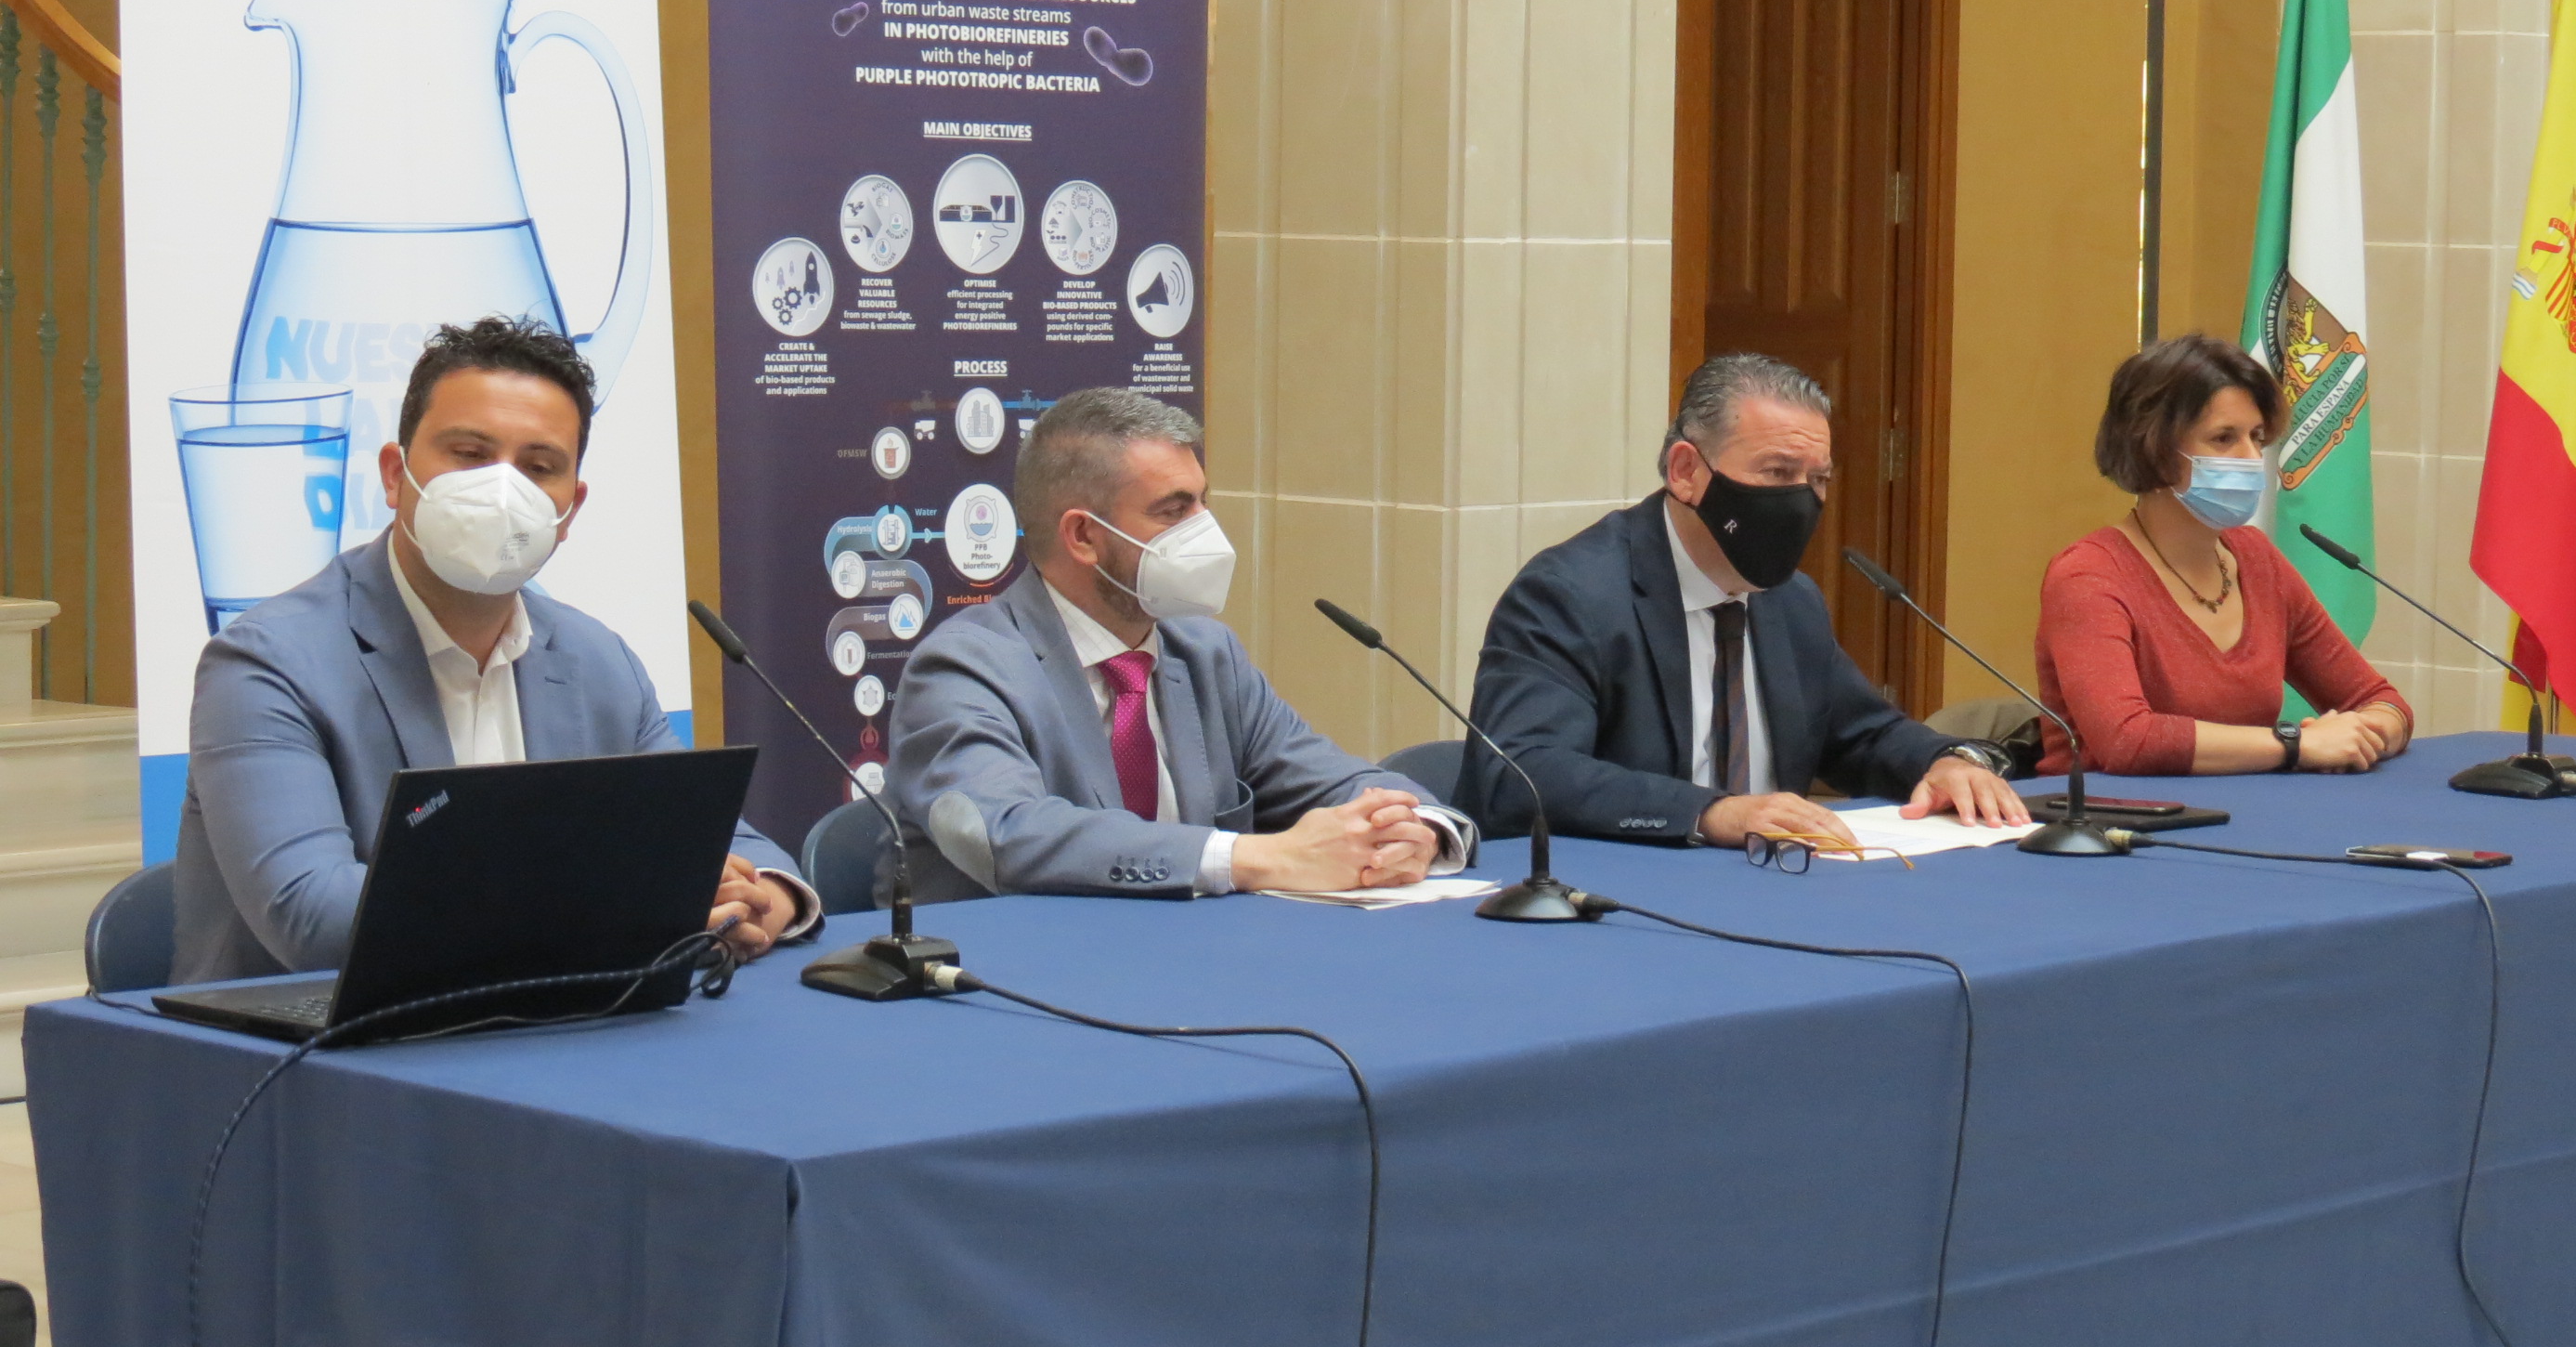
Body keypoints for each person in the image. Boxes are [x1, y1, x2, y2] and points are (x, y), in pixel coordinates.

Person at [174, 317, 818, 987]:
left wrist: (768, 896)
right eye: (469, 454)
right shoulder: (266, 665)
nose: (502, 490)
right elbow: (314, 919)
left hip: (549, 1022)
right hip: (307, 1039)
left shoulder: (599, 662)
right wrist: (625, 899)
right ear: (395, 475)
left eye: (539, 468)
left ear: (569, 511)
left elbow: (730, 848)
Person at [889, 388, 1477, 898]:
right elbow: (1006, 832)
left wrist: (1415, 829)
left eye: (1202, 502)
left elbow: (1330, 778)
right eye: (1174, 511)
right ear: (1084, 535)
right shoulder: (964, 667)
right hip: (1016, 972)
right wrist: (1253, 858)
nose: (1205, 531)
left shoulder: (1205, 652)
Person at [1459, 353, 2028, 850]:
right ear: (1686, 472)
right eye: (1777, 472)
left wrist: (1943, 762)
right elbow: (1522, 770)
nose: (1801, 501)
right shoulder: (1571, 594)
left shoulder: (1790, 601)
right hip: (1617, 893)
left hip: (1770, 886)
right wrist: (1710, 814)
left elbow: (1863, 734)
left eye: (1818, 480)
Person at [2036, 333, 2411, 776]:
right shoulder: (2088, 576)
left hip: (2245, 809)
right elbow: (2127, 741)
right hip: (2107, 814)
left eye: (2256, 437)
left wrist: (2363, 734)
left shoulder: (2256, 559)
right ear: (2154, 449)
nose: (2252, 457)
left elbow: (2380, 701)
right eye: (2223, 438)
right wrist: (2296, 745)